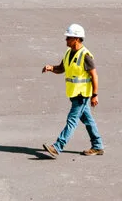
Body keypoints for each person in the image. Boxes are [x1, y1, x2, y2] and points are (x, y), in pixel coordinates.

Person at [41, 23, 103, 158]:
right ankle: (98, 146)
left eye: (68, 37)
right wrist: (51, 68)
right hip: (74, 94)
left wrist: (95, 95)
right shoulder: (69, 52)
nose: (66, 40)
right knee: (88, 120)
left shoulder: (86, 55)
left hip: (82, 94)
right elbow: (62, 68)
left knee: (72, 120)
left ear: (76, 38)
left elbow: (94, 76)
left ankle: (57, 146)